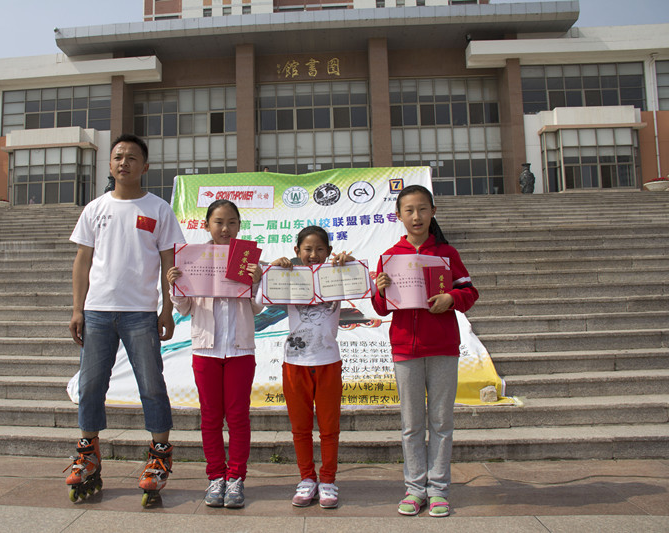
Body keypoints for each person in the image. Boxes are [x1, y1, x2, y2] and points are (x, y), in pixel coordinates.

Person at [66, 133, 185, 503]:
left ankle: (159, 457)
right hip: (97, 311)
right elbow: (82, 262)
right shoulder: (95, 209)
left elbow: (169, 263)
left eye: (132, 158)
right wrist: (77, 308)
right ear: (110, 164)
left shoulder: (158, 209)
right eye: (118, 157)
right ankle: (88, 455)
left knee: (151, 385)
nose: (124, 163)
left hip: (140, 313)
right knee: (90, 385)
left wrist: (167, 309)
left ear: (144, 167)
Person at [372, 185, 478, 518]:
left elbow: (470, 292)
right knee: (411, 424)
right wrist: (379, 291)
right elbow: (381, 308)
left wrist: (451, 299)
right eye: (409, 210)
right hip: (405, 348)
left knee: (442, 422)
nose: (416, 216)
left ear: (433, 212)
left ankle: (439, 490)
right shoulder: (390, 256)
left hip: (443, 347)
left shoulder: (447, 253)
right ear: (399, 216)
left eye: (422, 209)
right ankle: (415, 489)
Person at [166, 199, 263, 509]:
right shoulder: (194, 258)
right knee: (210, 416)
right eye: (219, 222)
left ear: (239, 226)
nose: (225, 228)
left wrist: (258, 281)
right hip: (206, 350)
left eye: (232, 222)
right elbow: (184, 308)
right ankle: (215, 477)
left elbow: (258, 308)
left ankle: (236, 478)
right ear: (207, 225)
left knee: (238, 417)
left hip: (239, 349)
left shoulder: (247, 259)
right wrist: (176, 285)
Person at [269, 226, 353, 509]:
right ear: (297, 251)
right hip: (295, 363)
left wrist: (350, 263)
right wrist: (273, 271)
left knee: (329, 428)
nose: (313, 254)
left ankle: (328, 480)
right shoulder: (289, 277)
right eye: (307, 249)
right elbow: (259, 300)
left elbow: (363, 283)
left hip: (328, 361)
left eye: (319, 249)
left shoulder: (337, 275)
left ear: (329, 252)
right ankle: (307, 478)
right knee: (300, 428)